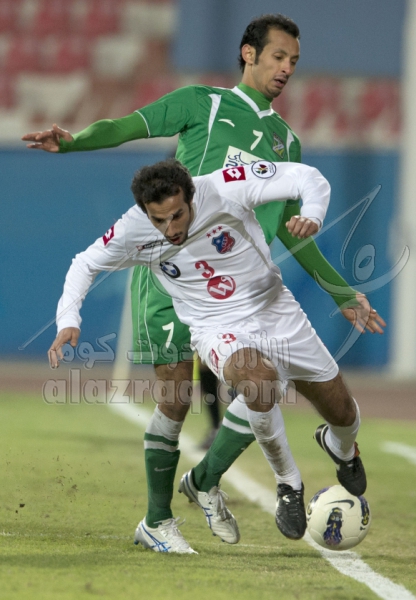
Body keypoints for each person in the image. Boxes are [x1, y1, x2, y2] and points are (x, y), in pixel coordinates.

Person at [24, 14, 385, 552]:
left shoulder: (286, 142)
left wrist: (339, 291)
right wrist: (75, 143)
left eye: (294, 61)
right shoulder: (203, 103)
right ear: (248, 53)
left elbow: (292, 228)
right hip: (172, 275)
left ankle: (207, 481)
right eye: (278, 56)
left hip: (247, 287)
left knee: (276, 389)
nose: (287, 68)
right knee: (176, 399)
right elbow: (128, 126)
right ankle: (160, 518)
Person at [49, 158, 371, 555]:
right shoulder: (134, 228)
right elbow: (84, 263)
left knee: (343, 413)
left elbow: (308, 177)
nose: (171, 229)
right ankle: (289, 483)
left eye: (177, 215)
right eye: (159, 220)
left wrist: (313, 215)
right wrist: (68, 319)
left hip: (276, 311)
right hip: (215, 327)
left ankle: (342, 448)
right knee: (259, 383)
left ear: (191, 196)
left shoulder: (226, 187)